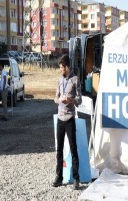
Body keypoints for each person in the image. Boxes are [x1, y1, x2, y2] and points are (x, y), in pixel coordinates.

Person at [52, 54, 82, 189]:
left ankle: (76, 178)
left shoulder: (75, 80)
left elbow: (79, 99)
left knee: (73, 148)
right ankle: (59, 176)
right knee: (59, 150)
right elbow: (55, 97)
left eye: (62, 67)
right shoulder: (60, 80)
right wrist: (58, 100)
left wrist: (71, 100)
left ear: (67, 67)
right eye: (59, 67)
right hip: (60, 118)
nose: (60, 70)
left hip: (69, 118)